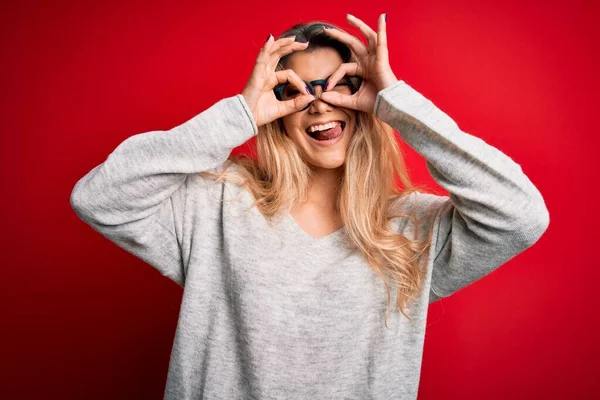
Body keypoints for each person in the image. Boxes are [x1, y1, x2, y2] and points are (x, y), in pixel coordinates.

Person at [70, 13, 549, 400]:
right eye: (294, 92)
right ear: (275, 109)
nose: (319, 104)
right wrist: (240, 112)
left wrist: (395, 102)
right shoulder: (216, 206)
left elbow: (520, 215)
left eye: (340, 86)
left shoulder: (410, 231)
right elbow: (99, 198)